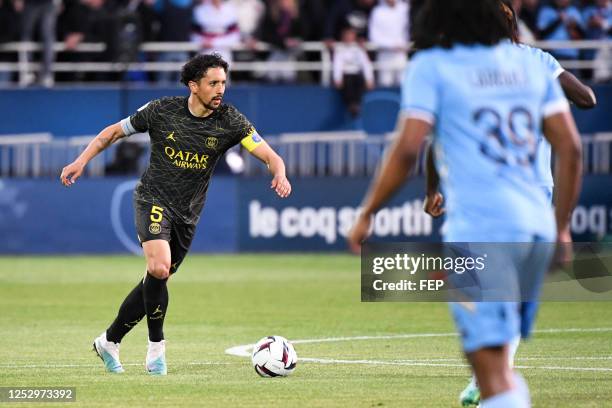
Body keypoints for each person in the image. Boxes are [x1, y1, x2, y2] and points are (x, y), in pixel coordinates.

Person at [348, 0, 582, 407]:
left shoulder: (433, 67)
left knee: (488, 371)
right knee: (501, 366)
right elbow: (571, 148)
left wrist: (368, 212)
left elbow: (408, 150)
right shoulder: (533, 65)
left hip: (483, 229)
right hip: (535, 226)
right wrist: (561, 226)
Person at [60, 53, 291, 375]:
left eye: (223, 82)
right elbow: (111, 133)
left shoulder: (230, 120)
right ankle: (157, 349)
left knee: (157, 278)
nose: (220, 89)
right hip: (153, 198)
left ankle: (109, 341)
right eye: (213, 83)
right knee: (159, 266)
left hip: (188, 213)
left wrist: (278, 173)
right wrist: (80, 161)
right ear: (193, 85)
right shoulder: (161, 110)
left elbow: (269, 155)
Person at [422, 2, 596, 405]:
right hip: (535, 195)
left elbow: (431, 137)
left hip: (481, 196)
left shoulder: (457, 67)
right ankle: (494, 380)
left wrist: (433, 188)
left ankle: (490, 380)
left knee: (479, 290)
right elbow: (586, 98)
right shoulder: (536, 62)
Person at [333, 25, 375, 117]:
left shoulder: (359, 49)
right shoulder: (340, 49)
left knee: (359, 82)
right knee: (348, 84)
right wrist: (337, 78)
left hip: (356, 73)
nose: (349, 37)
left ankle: (357, 104)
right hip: (346, 74)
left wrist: (369, 79)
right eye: (347, 35)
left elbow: (366, 64)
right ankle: (351, 105)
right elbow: (337, 65)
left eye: (351, 35)